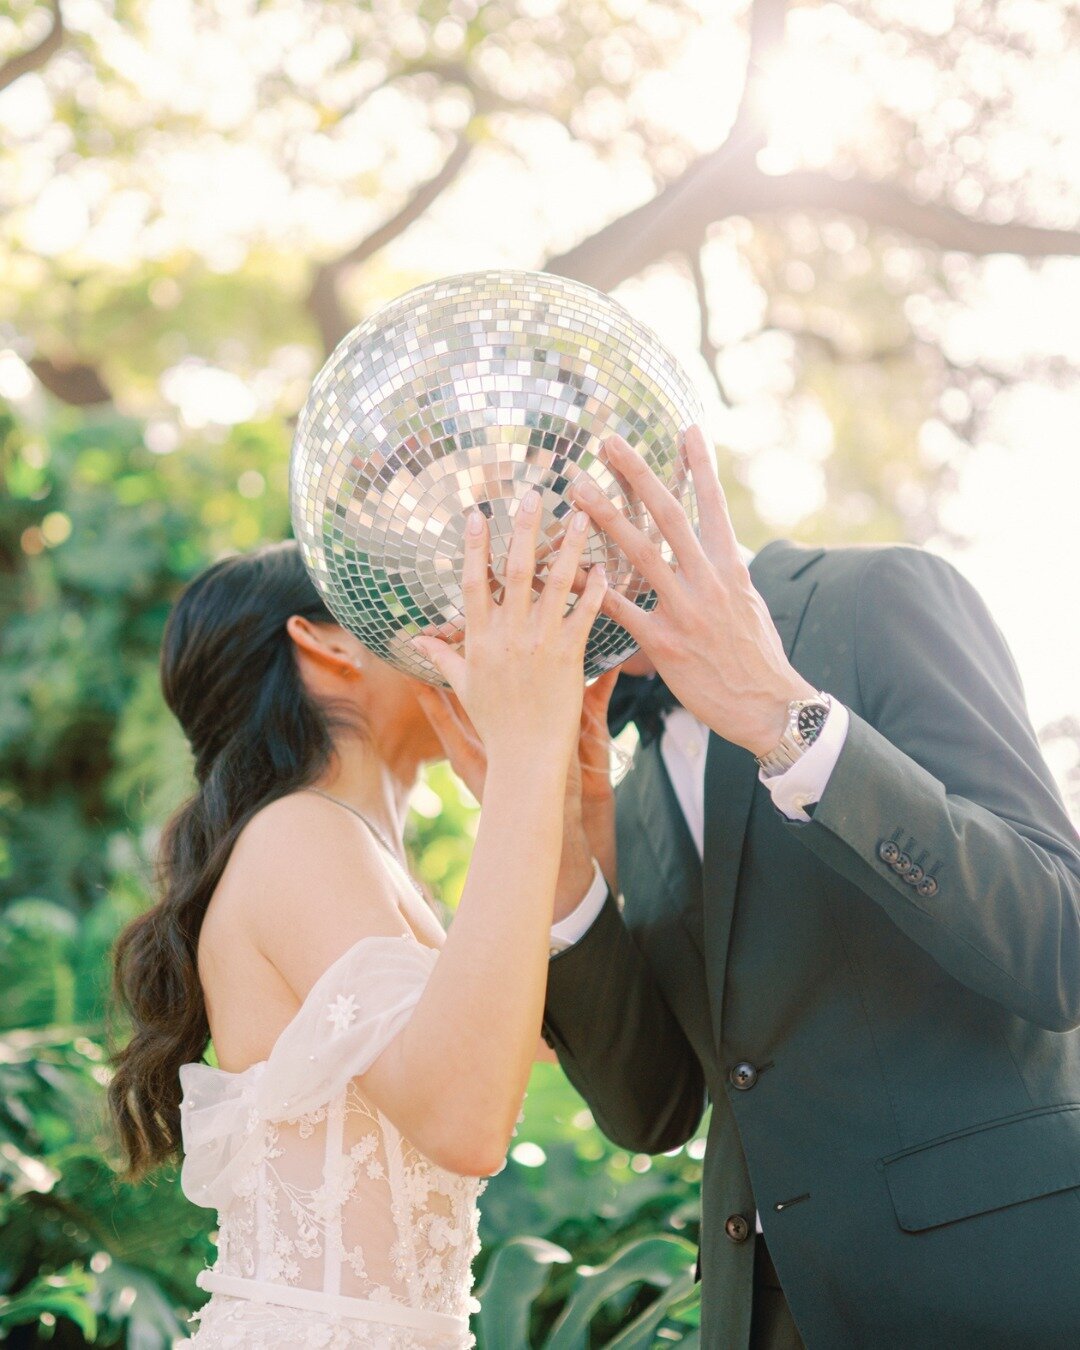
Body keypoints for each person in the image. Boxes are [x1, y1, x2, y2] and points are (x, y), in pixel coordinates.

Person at [434, 426, 1080, 1348]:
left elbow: (1059, 947)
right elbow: (652, 1106)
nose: (505, 571)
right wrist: (565, 851)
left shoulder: (878, 595)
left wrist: (786, 721)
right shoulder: (644, 774)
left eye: (523, 522)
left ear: (622, 489)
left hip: (998, 1290)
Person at [108, 494, 608, 1349]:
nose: (455, 619)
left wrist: (572, 804)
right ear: (329, 642)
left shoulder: (356, 855)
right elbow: (463, 1119)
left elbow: (571, 1039)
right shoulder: (299, 833)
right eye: (411, 603)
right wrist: (526, 757)